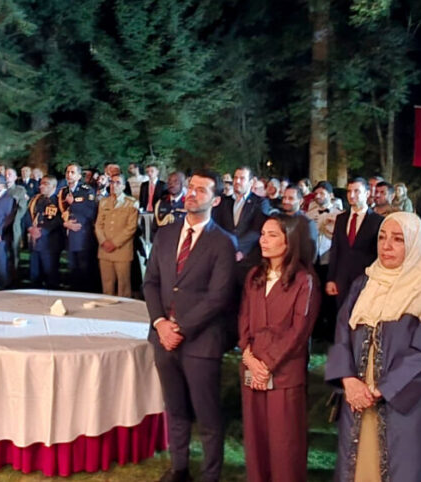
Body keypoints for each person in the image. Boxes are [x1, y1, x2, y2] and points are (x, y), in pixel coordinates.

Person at [325, 212, 421, 481]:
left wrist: (381, 389)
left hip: (410, 404)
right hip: (359, 395)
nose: (386, 246)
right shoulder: (364, 282)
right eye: (382, 238)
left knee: (407, 467)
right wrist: (349, 380)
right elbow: (341, 332)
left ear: (415, 243)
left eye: (398, 239)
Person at [143, 169, 237, 482]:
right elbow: (151, 282)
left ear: (216, 199)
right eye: (191, 187)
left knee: (207, 416)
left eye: (201, 189)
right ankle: (179, 468)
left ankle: (210, 475)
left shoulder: (223, 243)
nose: (192, 193)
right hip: (163, 339)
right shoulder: (166, 234)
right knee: (176, 409)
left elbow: (218, 297)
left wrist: (178, 328)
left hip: (200, 342)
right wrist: (160, 324)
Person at [239, 215, 321, 482]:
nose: (263, 239)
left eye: (272, 234)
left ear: (289, 241)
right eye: (262, 233)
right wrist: (249, 357)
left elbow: (298, 332)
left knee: (284, 445)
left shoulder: (303, 281)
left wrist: (268, 365)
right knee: (256, 439)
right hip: (253, 368)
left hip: (284, 373)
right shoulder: (254, 275)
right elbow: (244, 319)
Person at [326, 178, 384, 305]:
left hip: (366, 280)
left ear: (367, 194)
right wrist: (331, 279)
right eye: (349, 191)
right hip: (342, 279)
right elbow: (335, 249)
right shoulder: (341, 219)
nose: (352, 195)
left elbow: (379, 254)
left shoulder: (378, 221)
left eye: (357, 191)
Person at [213, 166, 268, 274]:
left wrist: (237, 248)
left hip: (248, 259)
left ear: (251, 182)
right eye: (235, 178)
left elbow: (257, 230)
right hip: (223, 258)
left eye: (242, 178)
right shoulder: (224, 202)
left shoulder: (260, 203)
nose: (237, 181)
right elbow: (217, 226)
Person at [95, 173, 139, 297]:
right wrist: (103, 241)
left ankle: (124, 313)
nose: (114, 185)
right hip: (105, 250)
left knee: (123, 286)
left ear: (124, 186)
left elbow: (131, 227)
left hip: (122, 250)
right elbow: (98, 225)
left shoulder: (131, 203)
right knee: (107, 285)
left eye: (118, 182)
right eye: (112, 182)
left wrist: (114, 243)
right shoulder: (104, 202)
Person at [60, 163, 98, 291]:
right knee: (73, 270)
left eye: (72, 172)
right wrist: (64, 223)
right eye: (67, 172)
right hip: (69, 236)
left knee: (84, 270)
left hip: (83, 236)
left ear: (79, 176)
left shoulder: (87, 190)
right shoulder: (63, 192)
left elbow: (90, 212)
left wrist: (74, 204)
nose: (69, 175)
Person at [24, 176, 64, 289]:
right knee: (35, 274)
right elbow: (28, 215)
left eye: (45, 184)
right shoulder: (36, 199)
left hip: (50, 242)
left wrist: (43, 231)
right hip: (35, 241)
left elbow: (59, 219)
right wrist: (30, 228)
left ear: (53, 186)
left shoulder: (58, 201)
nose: (41, 186)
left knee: (50, 274)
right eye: (41, 183)